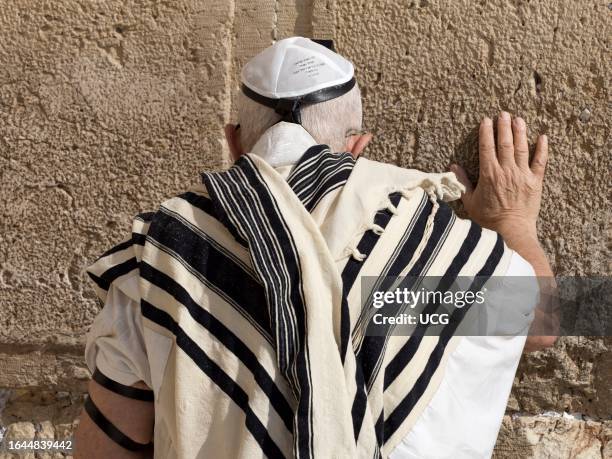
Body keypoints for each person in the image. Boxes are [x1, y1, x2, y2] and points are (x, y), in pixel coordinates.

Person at [74, 37, 556, 459]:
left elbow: (109, 442)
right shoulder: (419, 240)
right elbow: (541, 324)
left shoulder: (164, 258)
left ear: (234, 142)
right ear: (358, 146)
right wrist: (510, 221)